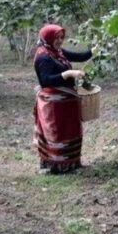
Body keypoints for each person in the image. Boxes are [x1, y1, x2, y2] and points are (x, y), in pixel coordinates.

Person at [33, 24, 93, 174]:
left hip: (67, 103)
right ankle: (56, 166)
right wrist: (68, 74)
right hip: (54, 105)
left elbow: (80, 56)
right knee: (57, 134)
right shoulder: (43, 56)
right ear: (48, 38)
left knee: (71, 131)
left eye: (61, 37)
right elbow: (46, 80)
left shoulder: (57, 52)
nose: (60, 41)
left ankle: (72, 164)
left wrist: (96, 50)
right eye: (56, 38)